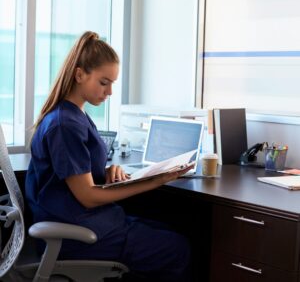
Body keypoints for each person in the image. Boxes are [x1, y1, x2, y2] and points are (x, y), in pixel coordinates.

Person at [25, 31, 192, 282]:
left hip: (88, 222)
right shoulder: (65, 125)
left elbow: (77, 175)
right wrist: (155, 180)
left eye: (112, 83)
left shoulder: (74, 115)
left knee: (168, 231)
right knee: (177, 248)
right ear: (79, 74)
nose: (110, 92)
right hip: (78, 236)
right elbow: (88, 196)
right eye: (104, 83)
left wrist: (107, 172)